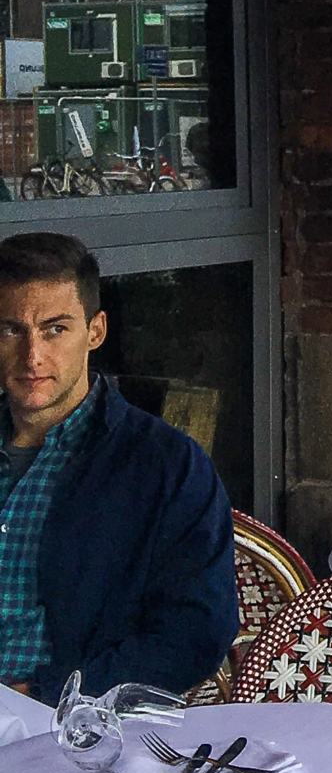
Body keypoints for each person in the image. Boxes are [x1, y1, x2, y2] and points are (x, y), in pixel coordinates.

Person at [0, 230, 235, 702]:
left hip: (71, 720)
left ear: (96, 331)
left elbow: (196, 632)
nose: (33, 356)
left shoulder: (166, 466)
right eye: (11, 330)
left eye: (55, 329)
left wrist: (45, 693)